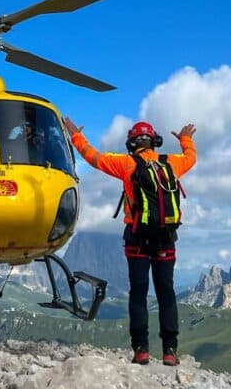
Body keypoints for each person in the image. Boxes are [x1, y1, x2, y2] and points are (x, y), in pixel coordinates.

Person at [63, 116, 197, 366]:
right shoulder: (172, 164)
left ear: (132, 143)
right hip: (167, 238)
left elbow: (93, 158)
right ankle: (170, 351)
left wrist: (76, 136)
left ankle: (141, 350)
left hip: (136, 238)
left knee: (138, 293)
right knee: (166, 293)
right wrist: (186, 139)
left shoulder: (127, 164)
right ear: (154, 142)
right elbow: (191, 157)